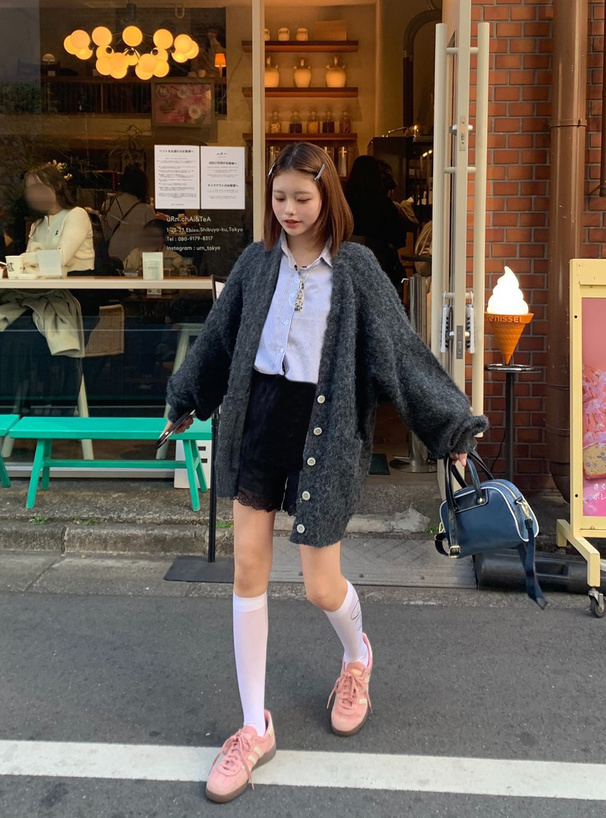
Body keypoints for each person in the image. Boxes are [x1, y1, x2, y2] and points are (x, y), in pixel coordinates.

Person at [164, 142, 488, 805]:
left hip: (325, 431)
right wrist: (186, 400)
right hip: (256, 421)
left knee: (319, 585)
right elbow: (219, 338)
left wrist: (452, 429)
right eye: (279, 197)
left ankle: (356, 655)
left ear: (327, 197)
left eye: (301, 198)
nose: (288, 209)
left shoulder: (357, 268)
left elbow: (402, 353)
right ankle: (254, 728)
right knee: (247, 571)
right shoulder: (257, 262)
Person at [345, 154, 416, 291]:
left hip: (347, 268)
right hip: (380, 269)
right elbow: (399, 238)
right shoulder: (385, 204)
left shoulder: (342, 203)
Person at [101, 165, 155, 263]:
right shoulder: (147, 210)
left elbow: (106, 232)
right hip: (136, 257)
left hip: (113, 253)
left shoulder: (109, 204)